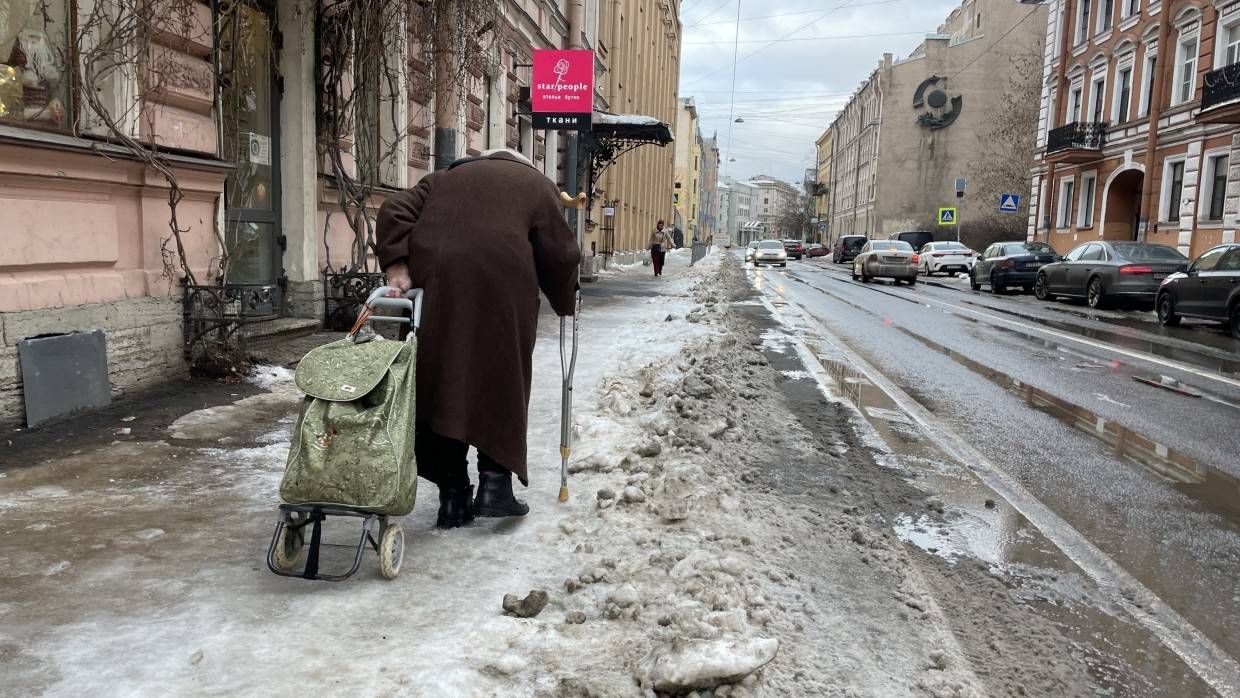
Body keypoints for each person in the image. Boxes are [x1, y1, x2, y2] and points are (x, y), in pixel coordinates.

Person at [375, 149, 581, 529]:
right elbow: (562, 253)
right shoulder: (538, 185)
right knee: (499, 376)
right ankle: (494, 487)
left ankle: (452, 496)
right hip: (502, 291)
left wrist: (398, 266)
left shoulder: (440, 180)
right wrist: (565, 299)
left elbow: (392, 210)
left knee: (443, 380)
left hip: (439, 290)